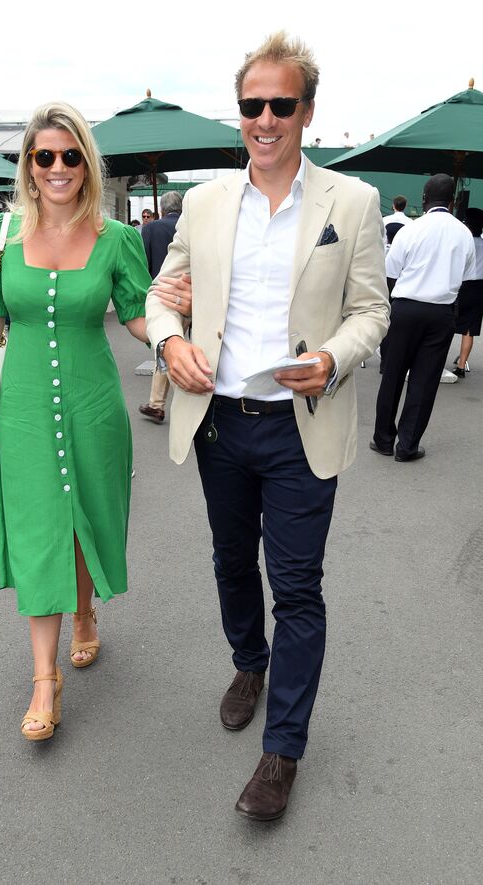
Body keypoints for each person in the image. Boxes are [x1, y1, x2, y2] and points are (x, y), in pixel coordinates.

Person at [146, 31, 389, 822]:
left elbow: (371, 311)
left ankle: (282, 750)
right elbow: (160, 296)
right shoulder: (206, 204)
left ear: (307, 111)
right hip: (219, 422)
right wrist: (170, 343)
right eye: (253, 105)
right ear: (240, 113)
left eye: (282, 104)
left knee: (298, 586)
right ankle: (249, 661)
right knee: (229, 559)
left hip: (300, 425)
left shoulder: (352, 202)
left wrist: (333, 357)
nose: (266, 119)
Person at [0, 101, 152, 743]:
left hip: (94, 407)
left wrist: (177, 336)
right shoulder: (2, 234)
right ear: (28, 163)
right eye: (44, 155)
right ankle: (45, 680)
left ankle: (85, 612)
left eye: (71, 155)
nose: (57, 167)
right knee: (40, 530)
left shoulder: (116, 238)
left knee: (84, 519)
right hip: (24, 411)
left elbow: (137, 314)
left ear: (87, 163)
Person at [371, 174, 476, 462]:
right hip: (441, 312)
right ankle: (407, 446)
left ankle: (383, 439)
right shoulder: (463, 233)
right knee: (424, 380)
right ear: (452, 202)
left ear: (424, 198)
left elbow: (391, 271)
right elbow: (467, 276)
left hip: (405, 308)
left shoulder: (411, 229)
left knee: (392, 375)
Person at [139, 190, 184, 423]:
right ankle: (156, 403)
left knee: (166, 345)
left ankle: (161, 404)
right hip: (190, 294)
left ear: (162, 209)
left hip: (161, 297)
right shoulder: (190, 224)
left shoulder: (151, 228)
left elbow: (144, 262)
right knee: (181, 346)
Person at [452, 207, 483, 377]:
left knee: (448, 324)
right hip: (479, 289)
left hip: (461, 287)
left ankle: (437, 360)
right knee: (469, 330)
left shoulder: (464, 244)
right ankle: (461, 366)